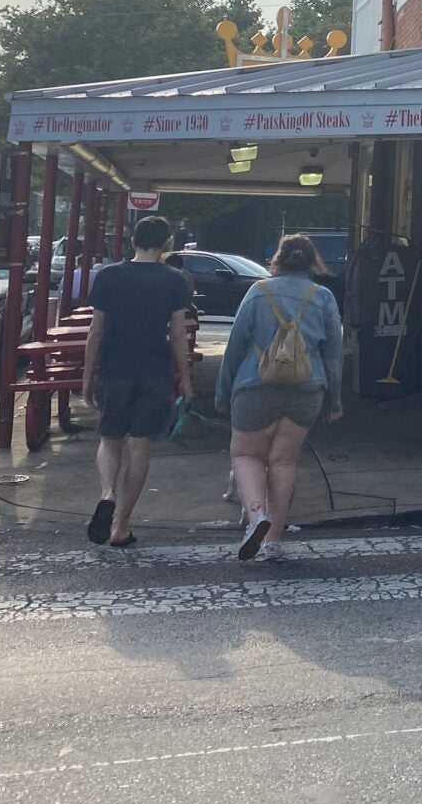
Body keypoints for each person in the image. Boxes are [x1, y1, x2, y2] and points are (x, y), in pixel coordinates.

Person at [216, 234, 346, 561]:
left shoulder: (258, 292)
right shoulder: (324, 297)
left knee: (246, 455)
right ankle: (273, 539)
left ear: (277, 259)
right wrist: (334, 400)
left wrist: (222, 391)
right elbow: (333, 356)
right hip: (307, 390)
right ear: (312, 261)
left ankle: (257, 514)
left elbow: (234, 348)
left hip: (255, 385)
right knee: (284, 461)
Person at [80, 215, 195, 548]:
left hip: (115, 368)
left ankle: (107, 492)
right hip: (154, 370)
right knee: (140, 444)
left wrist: (88, 376)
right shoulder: (174, 280)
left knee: (110, 437)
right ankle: (121, 526)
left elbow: (96, 330)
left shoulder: (109, 276)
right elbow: (177, 332)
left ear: (133, 241)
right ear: (165, 245)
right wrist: (184, 380)